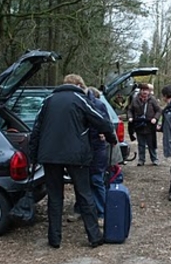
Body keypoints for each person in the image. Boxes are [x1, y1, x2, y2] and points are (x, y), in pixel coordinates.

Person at [29, 74, 117, 249]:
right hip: (76, 155)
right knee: (84, 194)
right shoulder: (79, 99)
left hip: (50, 155)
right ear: (78, 85)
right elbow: (101, 121)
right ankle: (94, 236)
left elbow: (36, 129)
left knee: (55, 197)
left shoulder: (48, 100)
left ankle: (54, 239)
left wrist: (33, 156)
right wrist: (110, 137)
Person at [68, 82, 110, 228]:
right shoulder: (74, 103)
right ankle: (80, 209)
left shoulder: (97, 104)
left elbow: (105, 124)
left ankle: (103, 213)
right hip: (80, 149)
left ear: (79, 85)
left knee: (96, 180)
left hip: (96, 148)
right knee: (81, 181)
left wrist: (105, 135)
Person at [128, 83, 162, 166]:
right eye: (143, 90)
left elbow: (159, 110)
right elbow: (130, 110)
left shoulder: (152, 100)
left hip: (150, 125)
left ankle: (154, 159)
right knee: (141, 144)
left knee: (151, 144)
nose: (145, 92)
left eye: (147, 90)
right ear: (140, 90)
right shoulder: (135, 100)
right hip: (139, 125)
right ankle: (141, 160)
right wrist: (130, 117)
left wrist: (155, 118)